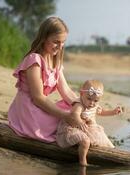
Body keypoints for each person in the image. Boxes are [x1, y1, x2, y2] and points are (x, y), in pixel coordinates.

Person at [8, 17, 90, 166]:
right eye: (56, 42)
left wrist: (81, 106)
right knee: (64, 117)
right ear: (44, 37)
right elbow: (38, 97)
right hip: (29, 109)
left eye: (63, 42)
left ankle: (78, 136)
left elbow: (66, 91)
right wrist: (66, 116)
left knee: (73, 109)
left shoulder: (56, 62)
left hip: (41, 105)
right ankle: (72, 138)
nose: (60, 46)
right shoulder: (34, 60)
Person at [56, 80, 123, 166]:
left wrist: (113, 112)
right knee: (85, 141)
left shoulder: (94, 105)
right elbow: (74, 114)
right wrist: (79, 121)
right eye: (89, 99)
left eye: (96, 100)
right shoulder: (79, 104)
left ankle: (112, 152)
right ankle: (82, 161)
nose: (92, 103)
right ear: (81, 94)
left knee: (101, 136)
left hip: (86, 128)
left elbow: (102, 112)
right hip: (73, 127)